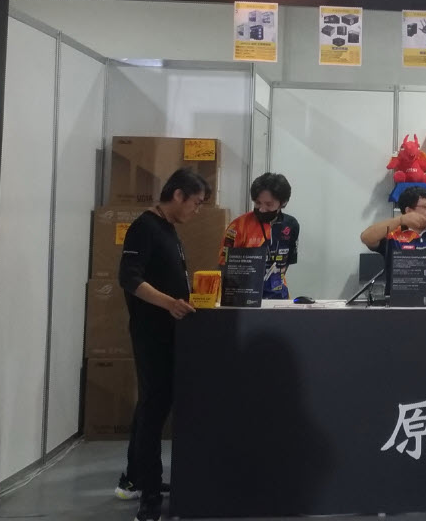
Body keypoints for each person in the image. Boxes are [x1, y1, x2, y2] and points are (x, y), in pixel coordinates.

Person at [115, 169, 210, 521]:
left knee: (151, 407)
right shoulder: (145, 227)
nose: (196, 211)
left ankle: (135, 477)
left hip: (171, 333)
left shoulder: (168, 229)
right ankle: (150, 498)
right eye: (195, 203)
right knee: (153, 412)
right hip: (151, 334)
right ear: (178, 195)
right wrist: (170, 303)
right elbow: (128, 277)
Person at [220, 173, 301, 299]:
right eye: (258, 203)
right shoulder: (238, 226)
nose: (262, 209)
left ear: (282, 203)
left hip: (279, 296)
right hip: (244, 297)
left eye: (269, 204)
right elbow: (223, 265)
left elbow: (287, 263)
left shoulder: (291, 225)